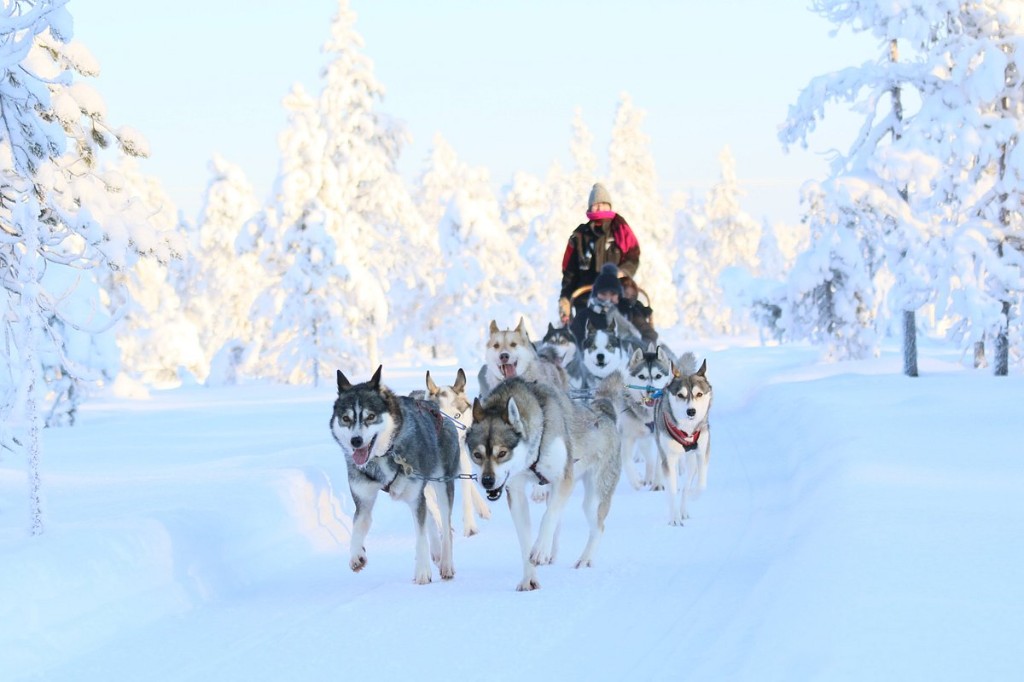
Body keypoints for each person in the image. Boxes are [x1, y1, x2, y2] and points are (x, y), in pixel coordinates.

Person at [559, 182, 640, 326]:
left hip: (616, 297)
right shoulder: (579, 236)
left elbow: (633, 256)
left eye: (603, 203)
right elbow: (570, 273)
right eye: (596, 204)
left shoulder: (620, 231)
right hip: (585, 299)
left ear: (609, 206)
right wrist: (565, 298)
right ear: (590, 207)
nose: (599, 207)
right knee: (581, 331)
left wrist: (623, 272)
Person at [570, 263, 658, 347]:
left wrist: (643, 353)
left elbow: (649, 334)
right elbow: (573, 341)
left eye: (612, 294)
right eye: (603, 293)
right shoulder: (584, 316)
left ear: (619, 295)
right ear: (596, 294)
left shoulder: (629, 312)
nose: (608, 298)